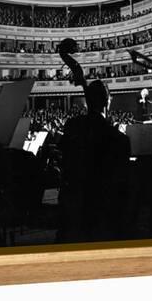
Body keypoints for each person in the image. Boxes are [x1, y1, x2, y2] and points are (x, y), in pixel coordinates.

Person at [56, 80, 130, 243]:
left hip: (72, 209)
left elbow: (64, 160)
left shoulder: (71, 126)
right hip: (102, 213)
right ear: (107, 102)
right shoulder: (119, 140)